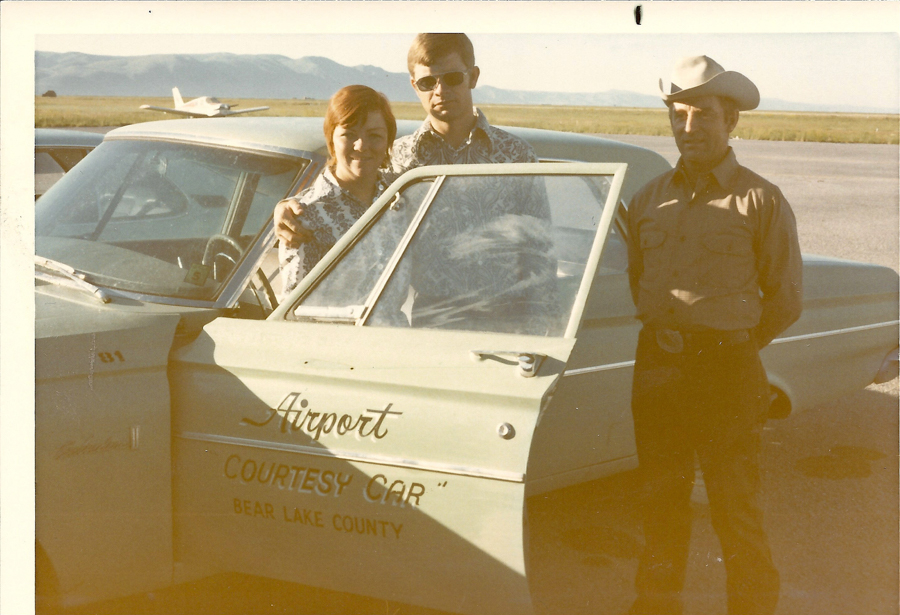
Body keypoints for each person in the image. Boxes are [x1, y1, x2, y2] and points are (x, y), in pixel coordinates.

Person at [624, 56, 803, 615]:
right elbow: (639, 284)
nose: (689, 126)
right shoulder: (648, 199)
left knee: (735, 507)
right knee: (659, 503)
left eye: (703, 114)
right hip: (658, 367)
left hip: (727, 369)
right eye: (679, 114)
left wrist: (729, 346)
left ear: (732, 123)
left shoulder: (762, 200)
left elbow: (786, 300)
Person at [277, 85, 396, 296]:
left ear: (388, 139)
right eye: (349, 134)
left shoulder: (401, 201)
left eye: (374, 135)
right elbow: (295, 312)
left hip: (398, 329)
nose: (361, 145)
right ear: (331, 138)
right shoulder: (306, 217)